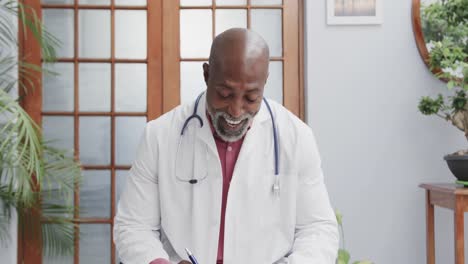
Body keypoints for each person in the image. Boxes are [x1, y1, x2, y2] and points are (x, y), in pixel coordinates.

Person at [114, 28, 338, 264]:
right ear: (206, 74)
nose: (236, 110)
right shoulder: (159, 136)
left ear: (264, 83)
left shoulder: (296, 138)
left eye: (251, 97)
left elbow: (318, 228)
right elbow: (133, 225)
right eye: (224, 93)